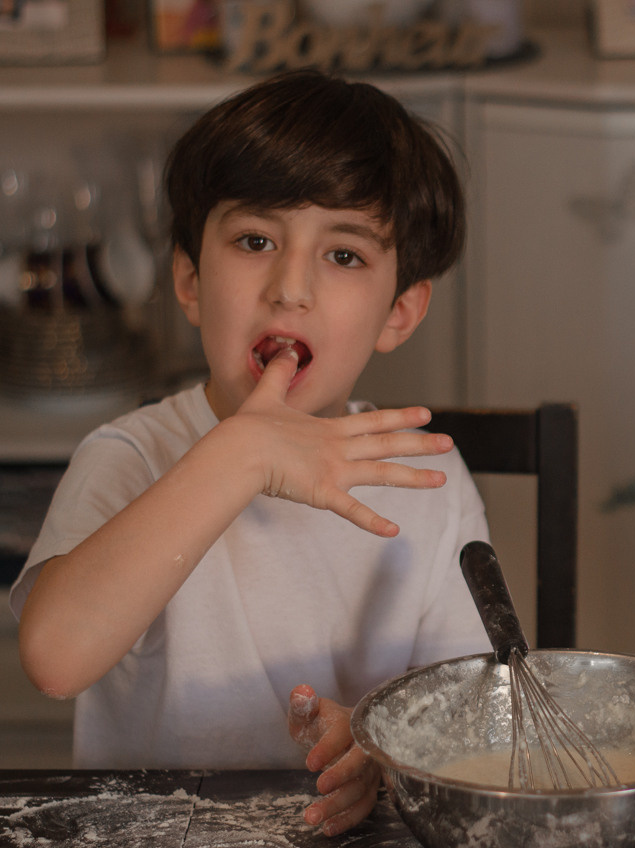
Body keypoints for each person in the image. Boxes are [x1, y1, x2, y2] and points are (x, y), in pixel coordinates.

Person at [8, 69, 490, 836]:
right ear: (190, 281)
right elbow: (55, 659)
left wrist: (381, 750)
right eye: (255, 241)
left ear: (400, 311)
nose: (290, 287)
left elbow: (471, 724)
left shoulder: (426, 478)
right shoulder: (129, 457)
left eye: (344, 256)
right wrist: (239, 455)